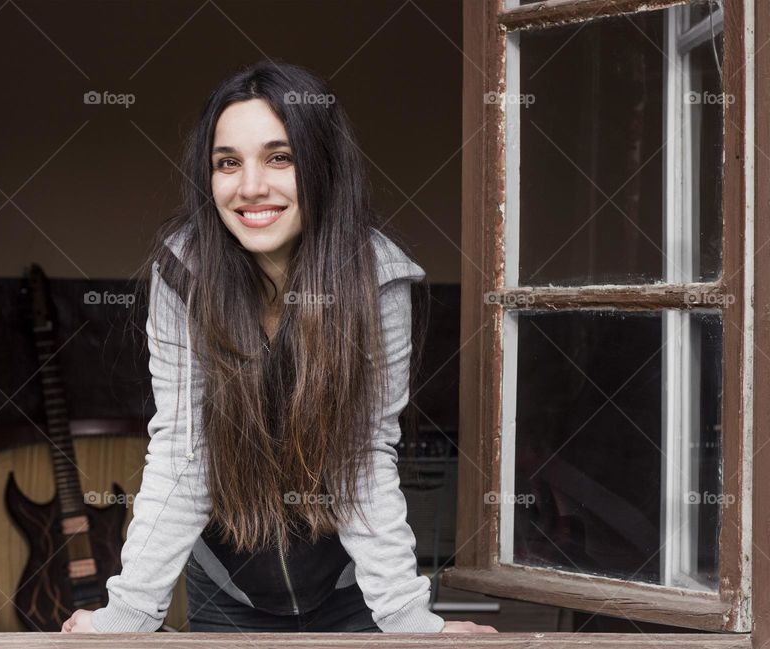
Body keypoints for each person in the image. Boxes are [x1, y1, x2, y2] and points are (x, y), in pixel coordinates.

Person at [61, 60, 496, 635]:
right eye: (227, 163)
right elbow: (182, 454)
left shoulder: (378, 278)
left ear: (321, 166)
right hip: (225, 589)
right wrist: (129, 617)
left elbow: (365, 460)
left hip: (351, 591)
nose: (250, 187)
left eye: (280, 157)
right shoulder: (183, 271)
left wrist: (411, 621)